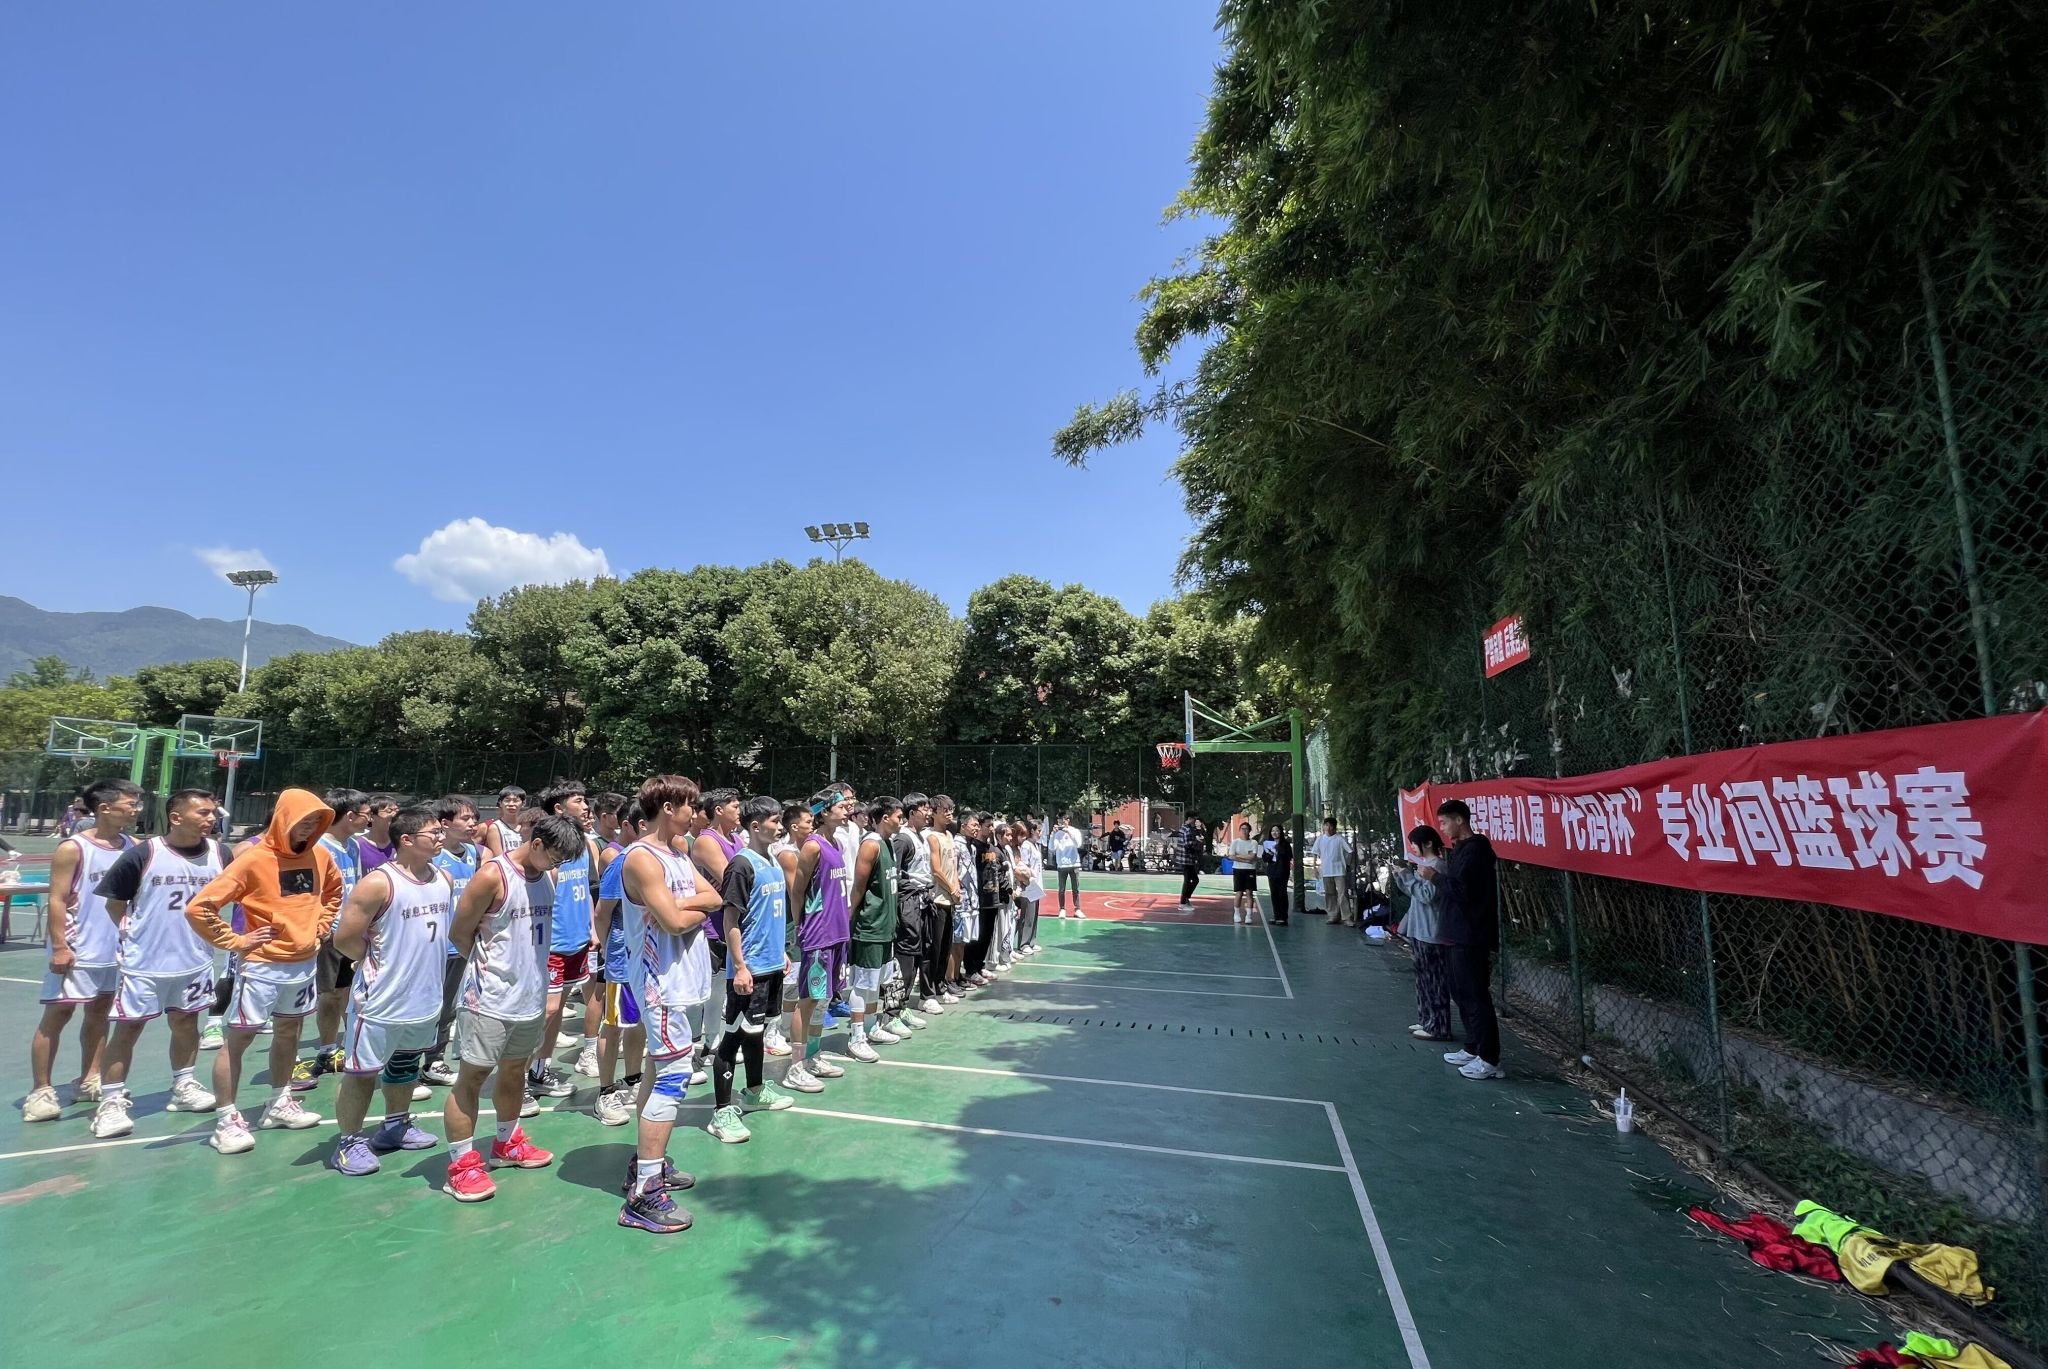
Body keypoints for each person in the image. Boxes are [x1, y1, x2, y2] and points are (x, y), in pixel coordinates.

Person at [184, 788, 346, 1153]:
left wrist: (322, 926)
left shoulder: (321, 855)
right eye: (303, 821)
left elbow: (334, 892)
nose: (308, 828)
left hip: (303, 963)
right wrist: (236, 941)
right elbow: (200, 907)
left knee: (289, 1033)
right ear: (284, 818)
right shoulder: (254, 859)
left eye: (315, 822)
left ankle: (279, 1102)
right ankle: (226, 1119)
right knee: (239, 1039)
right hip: (262, 966)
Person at [442, 813, 584, 1200]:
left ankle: (506, 1144)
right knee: (472, 1077)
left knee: (515, 1070)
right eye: (554, 856)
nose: (556, 865)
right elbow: (459, 932)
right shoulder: (493, 876)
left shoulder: (548, 877)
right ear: (536, 843)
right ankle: (461, 1165)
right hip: (489, 999)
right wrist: (492, 970)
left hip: (530, 997)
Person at [88, 788, 227, 1137]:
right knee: (129, 1028)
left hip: (195, 959)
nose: (211, 818)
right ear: (176, 817)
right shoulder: (144, 853)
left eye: (213, 812)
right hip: (145, 963)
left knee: (186, 1023)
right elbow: (115, 904)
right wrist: (134, 933)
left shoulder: (220, 853)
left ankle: (184, 1085)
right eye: (203, 813)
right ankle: (111, 1101)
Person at [616, 775, 720, 1233]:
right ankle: (643, 1196)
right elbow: (675, 922)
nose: (695, 813)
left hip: (679, 981)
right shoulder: (641, 857)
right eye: (689, 805)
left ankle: (646, 1165)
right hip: (659, 984)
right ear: (667, 808)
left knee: (659, 1071)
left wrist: (683, 909)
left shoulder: (677, 852)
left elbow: (713, 896)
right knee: (675, 1076)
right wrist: (687, 912)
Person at [328, 805, 451, 1175]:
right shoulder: (379, 883)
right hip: (381, 998)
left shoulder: (442, 877)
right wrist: (373, 961)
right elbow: (345, 938)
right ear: (407, 840)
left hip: (425, 996)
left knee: (405, 1064)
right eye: (434, 833)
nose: (441, 837)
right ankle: (348, 1142)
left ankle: (396, 1125)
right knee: (362, 1072)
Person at [22, 777, 141, 1122]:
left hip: (115, 949)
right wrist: (60, 946)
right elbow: (57, 899)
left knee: (100, 1012)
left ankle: (90, 1078)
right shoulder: (73, 848)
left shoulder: (133, 846)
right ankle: (40, 1091)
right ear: (105, 807)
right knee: (58, 1014)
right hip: (78, 947)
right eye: (130, 803)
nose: (136, 810)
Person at [708, 796, 795, 1142]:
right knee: (733, 1038)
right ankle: (721, 1111)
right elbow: (730, 919)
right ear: (755, 826)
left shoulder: (772, 860)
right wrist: (740, 966)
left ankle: (755, 1090)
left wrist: (781, 951)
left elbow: (769, 914)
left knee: (757, 1031)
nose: (780, 826)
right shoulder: (741, 865)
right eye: (774, 821)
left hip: (771, 964)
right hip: (750, 969)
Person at [1418, 799, 1502, 1080]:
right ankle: (1473, 1046)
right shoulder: (1460, 850)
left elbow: (1464, 890)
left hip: (1471, 934)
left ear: (1459, 820)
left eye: (1444, 823)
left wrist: (1434, 877)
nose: (1441, 828)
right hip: (1456, 932)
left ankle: (1488, 1058)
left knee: (1475, 994)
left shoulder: (1477, 850)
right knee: (1460, 992)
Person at [530, 780, 597, 1101]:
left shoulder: (586, 846)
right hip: (552, 944)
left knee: (555, 1013)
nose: (586, 806)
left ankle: (539, 1071)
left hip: (578, 941)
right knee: (547, 1010)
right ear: (558, 808)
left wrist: (592, 930)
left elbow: (586, 892)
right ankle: (517, 1076)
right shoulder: (544, 852)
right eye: (578, 801)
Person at [787, 790, 858, 1083]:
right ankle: (795, 1066)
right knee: (808, 1000)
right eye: (841, 806)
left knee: (824, 999)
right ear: (825, 812)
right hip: (819, 934)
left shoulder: (836, 843)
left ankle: (813, 1056)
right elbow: (797, 891)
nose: (847, 809)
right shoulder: (812, 846)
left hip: (837, 933)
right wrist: (800, 926)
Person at [303, 788, 372, 1088]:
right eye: (366, 814)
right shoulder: (318, 846)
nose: (369, 819)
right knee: (330, 994)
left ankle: (348, 1045)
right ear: (350, 816)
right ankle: (326, 1050)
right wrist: (323, 927)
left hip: (350, 931)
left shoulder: (353, 845)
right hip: (328, 933)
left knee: (348, 991)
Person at [590, 801, 651, 1125]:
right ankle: (605, 1091)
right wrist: (606, 948)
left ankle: (632, 1078)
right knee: (613, 1025)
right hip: (621, 957)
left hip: (646, 958)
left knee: (638, 1022)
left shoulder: (653, 859)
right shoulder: (620, 862)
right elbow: (603, 913)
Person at [422, 794, 482, 1086]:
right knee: (426, 1006)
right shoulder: (431, 857)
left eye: (475, 818)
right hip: (433, 945)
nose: (472, 824)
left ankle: (434, 1061)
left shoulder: (473, 853)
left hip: (461, 944)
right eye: (465, 818)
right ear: (444, 824)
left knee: (449, 1007)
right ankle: (406, 1061)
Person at [849, 796, 907, 1043]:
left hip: (885, 926)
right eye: (899, 817)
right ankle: (856, 1036)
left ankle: (871, 1027)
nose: (902, 821)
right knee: (863, 983)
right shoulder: (871, 845)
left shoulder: (887, 843)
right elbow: (858, 886)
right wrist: (850, 917)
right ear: (885, 818)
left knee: (876, 982)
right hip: (870, 926)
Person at [1392, 825, 1453, 1041]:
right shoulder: (1425, 865)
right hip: (1420, 931)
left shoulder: (1438, 866)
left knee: (1434, 980)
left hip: (1432, 932)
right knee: (1423, 979)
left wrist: (1408, 877)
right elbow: (1415, 892)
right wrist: (1401, 877)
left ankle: (1438, 1026)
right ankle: (1427, 1019)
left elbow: (1427, 896)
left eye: (1414, 844)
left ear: (1428, 844)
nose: (1412, 848)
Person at [928, 796, 962, 1001]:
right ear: (933, 813)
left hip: (951, 899)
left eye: (951, 809)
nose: (949, 814)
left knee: (946, 947)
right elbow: (936, 870)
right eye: (945, 810)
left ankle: (941, 986)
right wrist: (951, 888)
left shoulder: (949, 834)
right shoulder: (932, 837)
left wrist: (957, 887)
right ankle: (931, 989)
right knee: (936, 947)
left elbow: (953, 867)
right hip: (938, 899)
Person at [1011, 818, 1045, 956]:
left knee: (1034, 914)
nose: (1040, 833)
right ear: (1032, 830)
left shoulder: (1035, 845)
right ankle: (1023, 943)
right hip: (1029, 885)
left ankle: (1031, 941)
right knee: (1027, 915)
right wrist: (1026, 881)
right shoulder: (1026, 846)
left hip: (1036, 884)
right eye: (1038, 831)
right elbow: (1024, 865)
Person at [1312, 818, 1354, 926]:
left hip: (1339, 871)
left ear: (1334, 827)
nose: (1328, 828)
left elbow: (1350, 851)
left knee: (1342, 894)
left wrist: (1347, 864)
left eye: (1331, 826)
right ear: (1323, 826)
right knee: (1329, 894)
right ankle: (1333, 915)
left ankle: (1346, 917)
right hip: (1326, 871)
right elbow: (1315, 853)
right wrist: (1315, 868)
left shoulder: (1340, 839)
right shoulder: (1320, 839)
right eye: (1326, 825)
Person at [1047, 813, 1084, 917]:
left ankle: (1077, 909)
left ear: (1068, 820)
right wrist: (1053, 834)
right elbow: (1051, 848)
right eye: (1059, 821)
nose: (1061, 823)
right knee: (1061, 889)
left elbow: (1078, 844)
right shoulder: (1056, 833)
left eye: (1063, 821)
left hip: (1074, 863)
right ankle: (1062, 909)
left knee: (1076, 888)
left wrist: (1068, 832)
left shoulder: (1074, 831)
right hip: (1062, 864)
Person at [1228, 821, 1263, 925]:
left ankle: (1249, 915)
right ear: (1240, 830)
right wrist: (1246, 859)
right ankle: (1236, 914)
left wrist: (1238, 856)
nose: (1244, 831)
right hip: (1238, 869)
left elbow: (1252, 857)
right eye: (1242, 829)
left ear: (1249, 831)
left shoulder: (1253, 843)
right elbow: (1231, 856)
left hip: (1250, 870)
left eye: (1246, 829)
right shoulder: (1235, 842)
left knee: (1249, 892)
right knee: (1239, 892)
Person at [481, 786, 525, 857]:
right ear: (500, 803)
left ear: (523, 803)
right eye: (507, 800)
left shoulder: (527, 827)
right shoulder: (495, 827)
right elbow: (499, 858)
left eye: (515, 801)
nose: (511, 804)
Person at [1264, 823, 1294, 925]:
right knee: (1274, 894)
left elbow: (1289, 856)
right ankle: (1276, 915)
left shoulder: (1285, 844)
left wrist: (1278, 851)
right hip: (1272, 872)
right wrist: (1270, 854)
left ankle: (1283, 916)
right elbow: (1265, 858)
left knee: (1282, 893)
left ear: (1280, 832)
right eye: (1273, 831)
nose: (1275, 833)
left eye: (1277, 830)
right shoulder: (1268, 844)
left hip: (1282, 871)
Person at [1177, 813, 1207, 911]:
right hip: (1186, 859)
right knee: (1188, 880)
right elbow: (1188, 844)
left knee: (1194, 879)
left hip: (1185, 859)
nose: (1195, 821)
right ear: (1189, 818)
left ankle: (1185, 898)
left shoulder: (1183, 828)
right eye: (1194, 819)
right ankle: (1183, 902)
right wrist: (1197, 842)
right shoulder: (1188, 830)